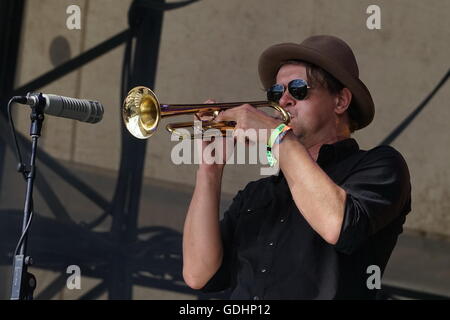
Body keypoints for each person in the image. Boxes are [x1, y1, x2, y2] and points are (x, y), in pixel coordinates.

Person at [182, 35, 411, 299]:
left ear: (340, 101)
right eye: (276, 93)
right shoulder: (257, 193)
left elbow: (338, 224)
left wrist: (278, 136)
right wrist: (210, 170)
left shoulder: (380, 165)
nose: (284, 100)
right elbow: (198, 274)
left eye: (299, 89)